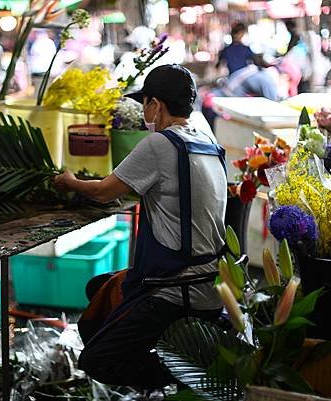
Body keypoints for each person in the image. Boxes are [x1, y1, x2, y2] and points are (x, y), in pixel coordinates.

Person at [54, 64, 227, 388]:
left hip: (175, 292)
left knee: (96, 359)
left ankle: (189, 376)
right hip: (210, 285)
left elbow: (105, 191)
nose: (145, 112)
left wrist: (71, 182)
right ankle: (178, 372)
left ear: (155, 105)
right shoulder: (208, 144)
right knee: (99, 288)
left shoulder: (160, 144)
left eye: (145, 104)